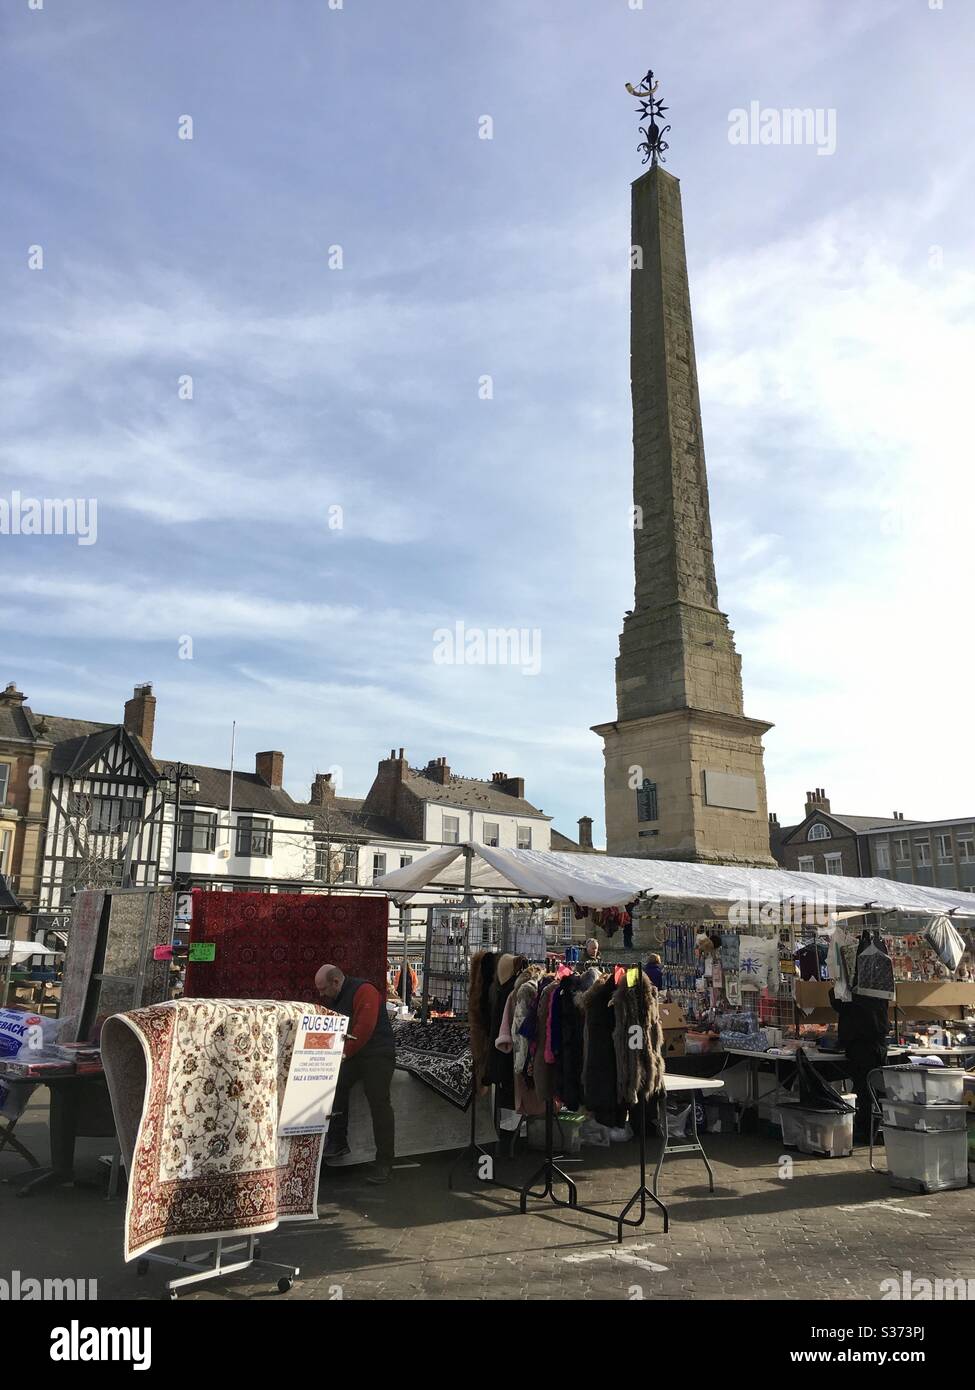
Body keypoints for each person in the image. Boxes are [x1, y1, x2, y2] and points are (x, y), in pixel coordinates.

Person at [315, 963, 396, 1184]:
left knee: (379, 1103)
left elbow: (363, 1029)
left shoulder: (364, 991)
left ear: (336, 982)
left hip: (378, 1053)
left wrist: (340, 1056)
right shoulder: (338, 995)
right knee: (335, 1085)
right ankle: (338, 1140)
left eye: (323, 989)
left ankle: (385, 1162)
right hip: (356, 1054)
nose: (321, 994)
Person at [828, 987, 889, 1144]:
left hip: (861, 1042)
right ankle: (874, 1129)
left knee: (865, 1090)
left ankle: (867, 1132)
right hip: (877, 1039)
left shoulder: (853, 990)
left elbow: (839, 1003)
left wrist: (836, 988)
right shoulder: (878, 984)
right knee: (874, 1089)